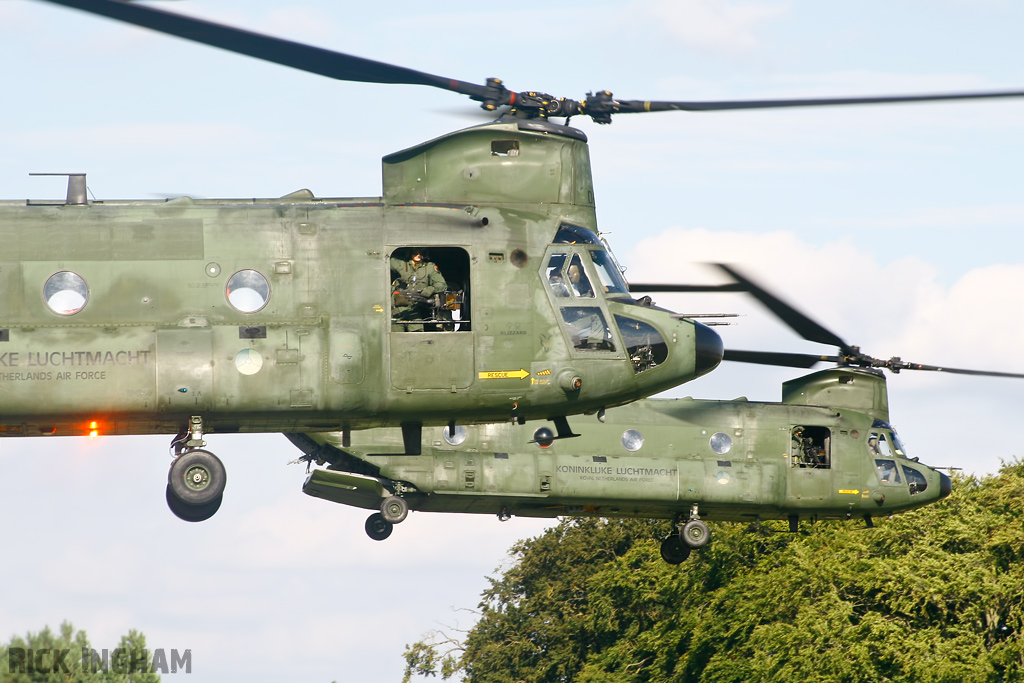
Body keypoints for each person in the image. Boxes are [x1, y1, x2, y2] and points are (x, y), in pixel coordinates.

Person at [390, 249, 446, 331]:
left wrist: (431, 289)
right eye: (415, 252)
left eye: (421, 252)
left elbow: (442, 284)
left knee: (418, 334)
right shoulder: (400, 263)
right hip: (397, 310)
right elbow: (384, 259)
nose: (418, 255)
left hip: (415, 310)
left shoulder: (429, 267)